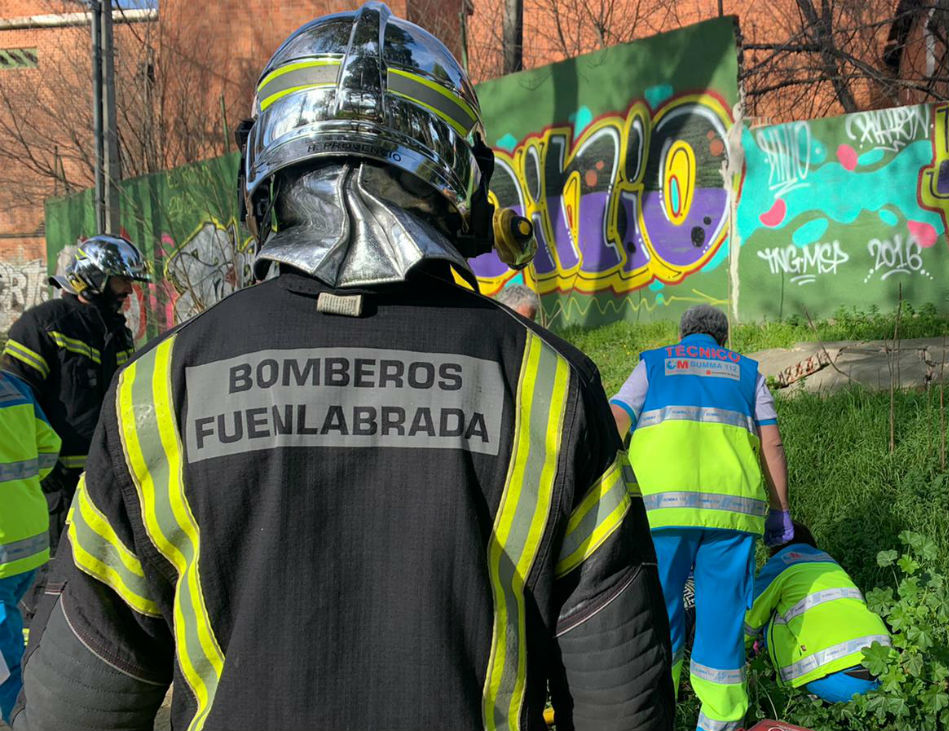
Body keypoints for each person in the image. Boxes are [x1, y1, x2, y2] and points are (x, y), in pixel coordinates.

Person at [13, 4, 673, 729]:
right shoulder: (548, 387)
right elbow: (622, 701)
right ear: (463, 177)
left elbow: (75, 701)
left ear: (263, 170)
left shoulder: (158, 389)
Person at [611, 304, 791, 731]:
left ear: (682, 335)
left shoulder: (654, 364)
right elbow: (772, 444)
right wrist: (780, 510)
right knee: (723, 621)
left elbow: (615, 419)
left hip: (661, 512)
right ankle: (720, 723)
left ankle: (654, 715)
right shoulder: (748, 372)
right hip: (732, 517)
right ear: (723, 339)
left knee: (659, 614)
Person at [2, 235, 149, 547]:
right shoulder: (43, 326)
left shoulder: (117, 333)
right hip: (58, 488)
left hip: (107, 481)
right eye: (122, 280)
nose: (128, 290)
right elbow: (16, 403)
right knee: (58, 571)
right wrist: (45, 467)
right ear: (94, 278)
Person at [744, 522, 889, 704]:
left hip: (840, 682)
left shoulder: (779, 564)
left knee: (773, 609)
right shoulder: (832, 566)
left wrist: (735, 656)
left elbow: (749, 618)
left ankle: (791, 692)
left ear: (774, 549)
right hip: (887, 670)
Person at [0, 371, 60, 723]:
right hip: (28, 538)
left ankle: (23, 718)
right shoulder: (13, 385)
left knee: (5, 659)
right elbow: (49, 444)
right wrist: (20, 491)